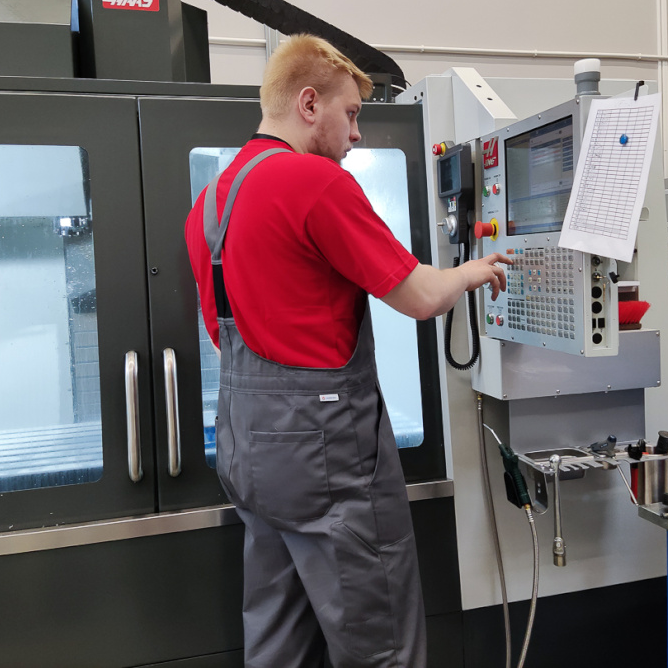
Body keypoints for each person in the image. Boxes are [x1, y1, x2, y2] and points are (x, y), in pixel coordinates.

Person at [184, 34, 510, 668]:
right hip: (324, 454)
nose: (357, 134)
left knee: (280, 642)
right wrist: (475, 270)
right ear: (309, 104)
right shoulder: (313, 181)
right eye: (352, 113)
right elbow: (420, 296)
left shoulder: (212, 200)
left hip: (247, 444)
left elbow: (224, 334)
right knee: (379, 643)